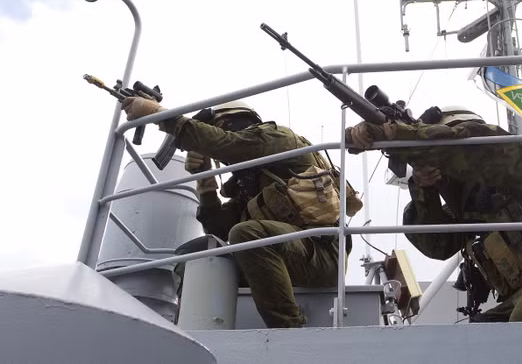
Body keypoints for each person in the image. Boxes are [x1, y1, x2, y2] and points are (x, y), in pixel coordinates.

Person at [121, 96, 359, 328]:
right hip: (283, 257)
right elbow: (219, 230)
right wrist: (205, 182)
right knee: (197, 257)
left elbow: (225, 144)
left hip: (323, 255)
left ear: (235, 122)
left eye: (220, 127)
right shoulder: (249, 182)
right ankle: (197, 334)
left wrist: (158, 114)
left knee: (247, 234)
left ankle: (289, 328)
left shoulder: (277, 138)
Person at [346, 105, 522, 322]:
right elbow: (436, 244)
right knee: (470, 343)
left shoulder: (517, 156)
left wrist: (397, 135)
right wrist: (425, 188)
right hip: (520, 296)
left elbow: (468, 147)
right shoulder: (475, 206)